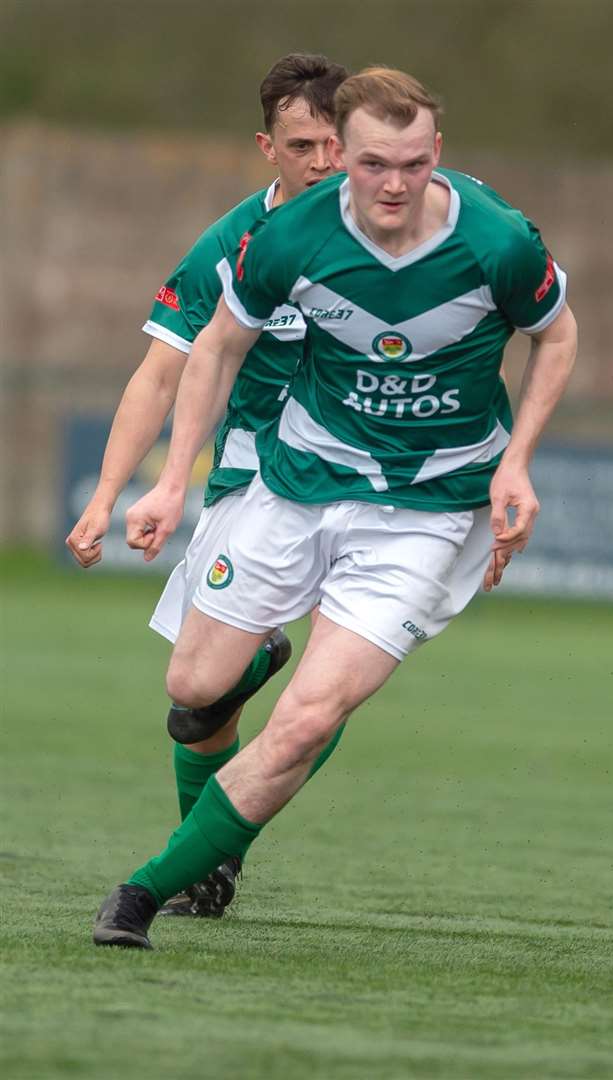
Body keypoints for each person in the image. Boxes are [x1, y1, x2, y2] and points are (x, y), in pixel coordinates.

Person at [91, 66, 579, 948]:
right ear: (341, 158)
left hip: (428, 512)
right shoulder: (287, 236)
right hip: (298, 482)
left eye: (413, 163)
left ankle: (146, 889)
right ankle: (215, 815)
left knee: (307, 719)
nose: (393, 184)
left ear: (438, 153)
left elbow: (557, 333)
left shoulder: (497, 240)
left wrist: (518, 464)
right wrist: (170, 479)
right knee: (194, 688)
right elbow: (214, 348)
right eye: (370, 164)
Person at [65, 53, 351, 918]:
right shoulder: (229, 245)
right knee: (194, 707)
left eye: (339, 144)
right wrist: (113, 494)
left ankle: (202, 861)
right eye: (304, 146)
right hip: (252, 483)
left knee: (324, 693)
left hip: (367, 490)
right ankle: (212, 860)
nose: (325, 164)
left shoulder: (393, 235)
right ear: (268, 146)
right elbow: (161, 373)